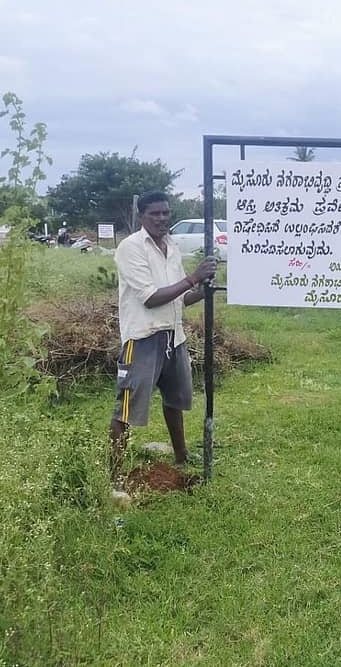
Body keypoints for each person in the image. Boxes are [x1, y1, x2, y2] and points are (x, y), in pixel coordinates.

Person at [109, 190, 216, 501]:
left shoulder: (172, 247)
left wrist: (204, 289)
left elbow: (180, 297)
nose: (162, 219)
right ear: (142, 216)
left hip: (173, 335)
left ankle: (181, 454)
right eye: (154, 214)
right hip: (142, 338)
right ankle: (115, 476)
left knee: (176, 399)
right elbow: (151, 297)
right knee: (126, 408)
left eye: (166, 213)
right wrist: (194, 277)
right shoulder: (130, 248)